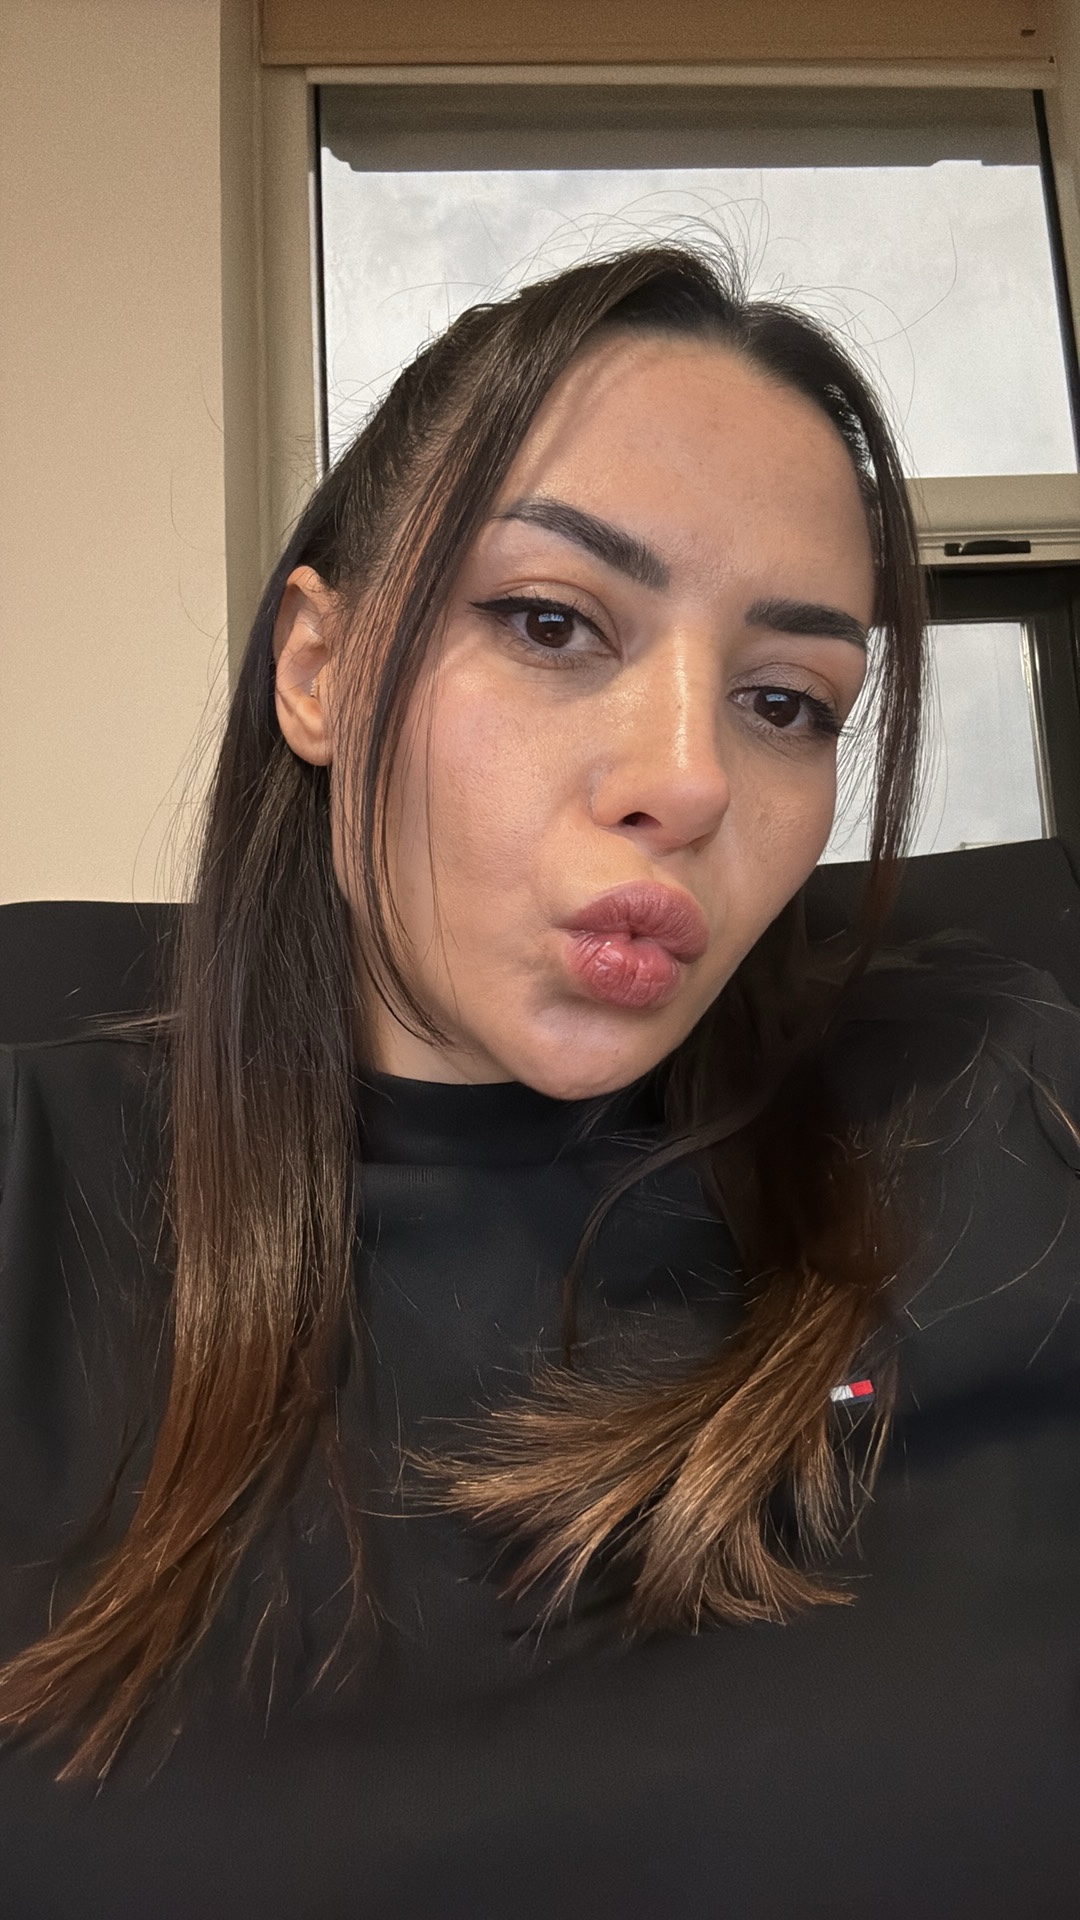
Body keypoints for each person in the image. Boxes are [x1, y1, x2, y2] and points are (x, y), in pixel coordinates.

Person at [0, 243, 1078, 1917]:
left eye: (786, 700)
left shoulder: (1004, 1114)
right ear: (318, 669)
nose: (691, 781)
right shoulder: (34, 1191)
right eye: (553, 622)